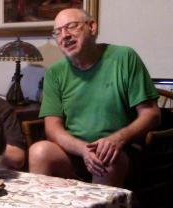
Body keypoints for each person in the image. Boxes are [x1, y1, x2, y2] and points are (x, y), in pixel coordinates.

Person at [28, 8, 161, 187]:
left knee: (105, 158)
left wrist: (117, 139)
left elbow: (151, 114)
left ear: (92, 27)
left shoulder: (124, 57)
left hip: (119, 150)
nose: (64, 35)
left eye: (71, 27)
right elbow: (52, 128)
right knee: (39, 151)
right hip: (74, 151)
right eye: (57, 32)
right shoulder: (55, 72)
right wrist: (83, 149)